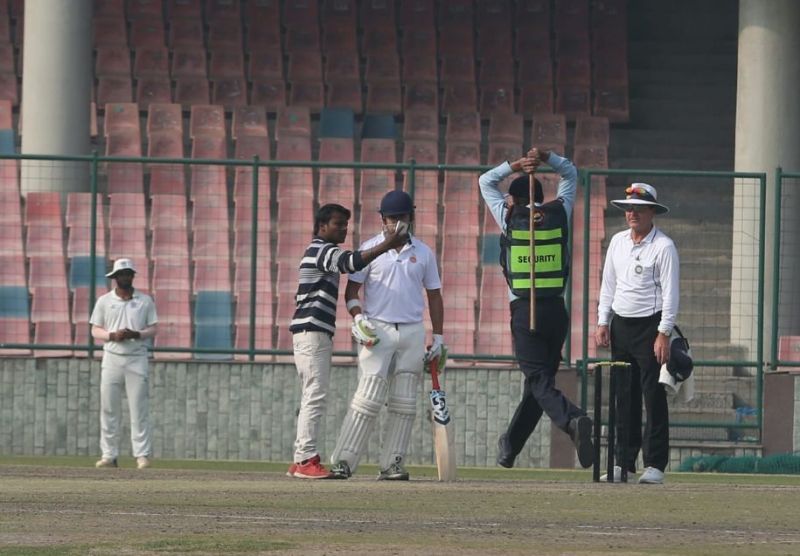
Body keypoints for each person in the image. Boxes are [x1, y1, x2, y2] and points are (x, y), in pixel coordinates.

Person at [479, 148, 595, 470]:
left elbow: (486, 182)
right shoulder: (561, 212)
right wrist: (547, 157)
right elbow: (571, 173)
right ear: (543, 197)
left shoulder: (508, 217)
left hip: (524, 311)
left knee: (539, 382)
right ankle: (510, 445)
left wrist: (514, 165)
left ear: (512, 200)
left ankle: (573, 420)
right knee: (538, 383)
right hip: (556, 311)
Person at [329, 190, 445, 480]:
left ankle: (392, 463)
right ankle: (343, 461)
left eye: (403, 217)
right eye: (392, 218)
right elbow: (351, 292)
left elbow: (434, 296)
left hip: (411, 331)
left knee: (405, 402)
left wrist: (439, 337)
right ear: (382, 219)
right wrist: (357, 318)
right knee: (367, 397)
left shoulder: (424, 253)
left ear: (412, 217)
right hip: (377, 330)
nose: (397, 223)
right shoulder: (370, 250)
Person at [287, 203, 406, 479]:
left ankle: (300, 458)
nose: (343, 229)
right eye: (338, 224)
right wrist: (389, 243)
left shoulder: (319, 250)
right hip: (312, 332)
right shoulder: (321, 250)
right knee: (315, 396)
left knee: (311, 395)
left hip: (310, 332)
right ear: (321, 227)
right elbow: (350, 263)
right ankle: (306, 459)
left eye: (345, 224)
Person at [595, 183, 679, 485]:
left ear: (651, 212)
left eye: (638, 209)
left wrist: (664, 332)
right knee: (623, 397)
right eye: (628, 208)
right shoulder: (617, 242)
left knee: (653, 396)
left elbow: (671, 294)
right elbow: (608, 285)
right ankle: (624, 463)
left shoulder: (663, 246)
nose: (632, 214)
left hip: (650, 326)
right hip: (622, 325)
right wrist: (603, 321)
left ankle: (655, 463)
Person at [90, 258, 158, 470]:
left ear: (132, 276)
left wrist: (136, 334)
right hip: (112, 357)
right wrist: (112, 335)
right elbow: (95, 330)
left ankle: (142, 455)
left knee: (138, 408)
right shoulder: (104, 301)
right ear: (115, 278)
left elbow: (153, 329)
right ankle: (109, 455)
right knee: (109, 407)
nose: (125, 277)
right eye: (121, 274)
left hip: (137, 358)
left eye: (128, 273)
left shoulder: (145, 301)